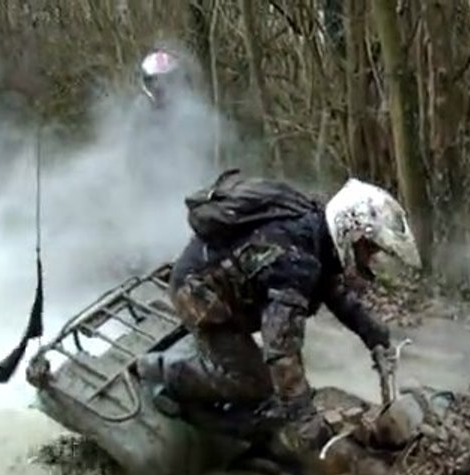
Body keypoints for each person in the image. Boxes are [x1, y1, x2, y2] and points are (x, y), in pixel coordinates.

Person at [136, 170, 422, 453]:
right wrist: (304, 417)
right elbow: (281, 349)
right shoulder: (294, 261)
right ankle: (163, 371)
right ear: (350, 230)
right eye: (368, 248)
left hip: (224, 286)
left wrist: (374, 333)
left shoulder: (314, 231)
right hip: (199, 296)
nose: (370, 257)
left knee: (274, 388)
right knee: (255, 384)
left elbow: (333, 291)